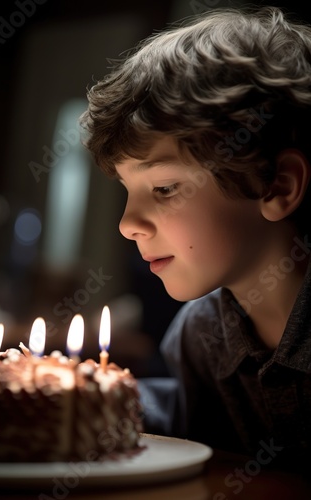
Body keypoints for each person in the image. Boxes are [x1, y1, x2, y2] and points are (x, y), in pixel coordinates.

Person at [80, 6, 311, 464]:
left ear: (277, 185)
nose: (127, 224)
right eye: (129, 191)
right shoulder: (200, 334)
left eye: (164, 188)